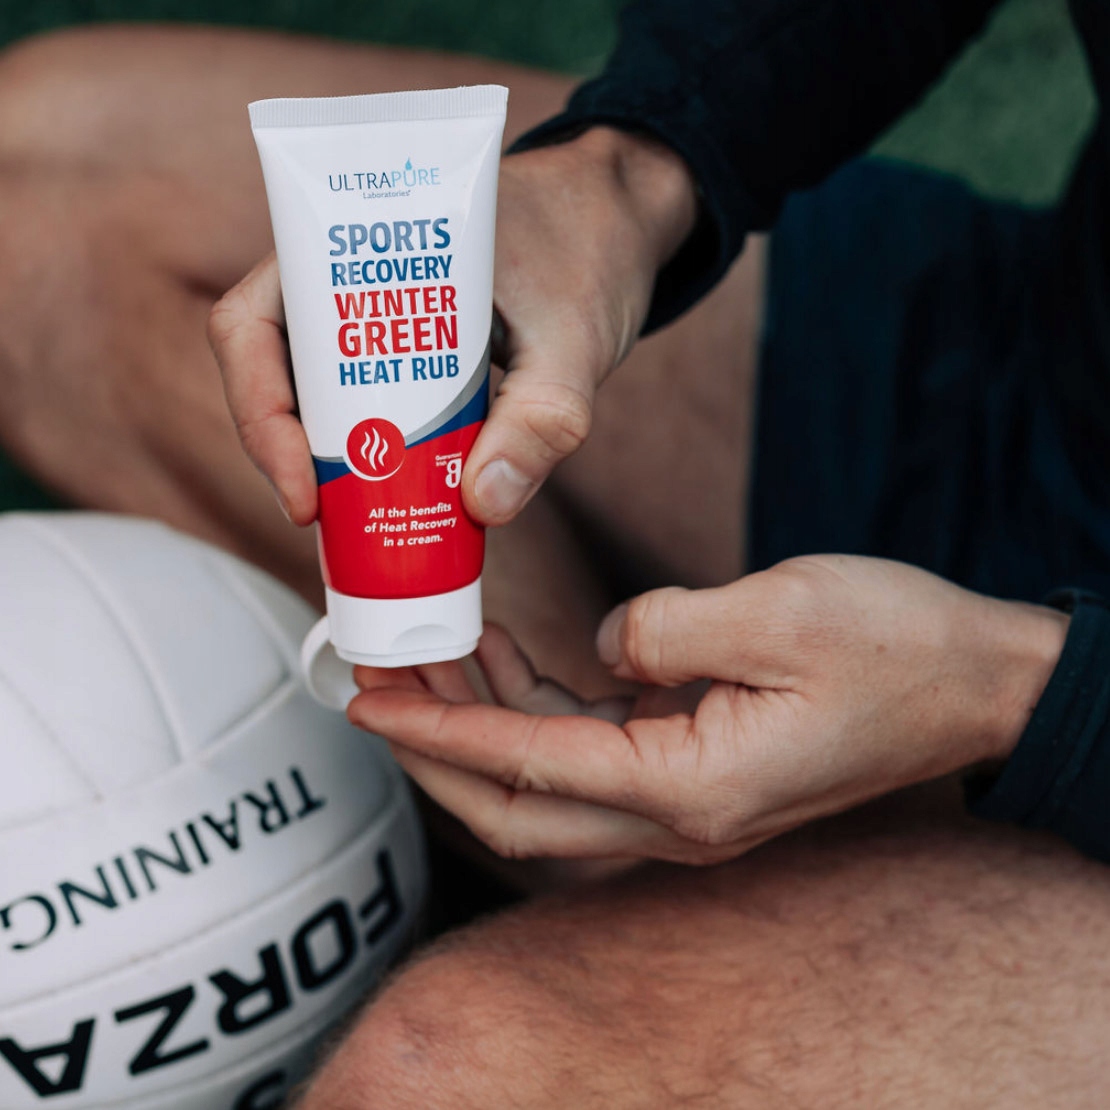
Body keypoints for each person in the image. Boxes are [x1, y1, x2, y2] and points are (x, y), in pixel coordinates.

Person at [0, 4, 1107, 1106]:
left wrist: (1026, 698)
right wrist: (636, 165)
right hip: (1053, 382)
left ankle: (710, 912)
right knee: (36, 196)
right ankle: (628, 846)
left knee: (436, 1083)